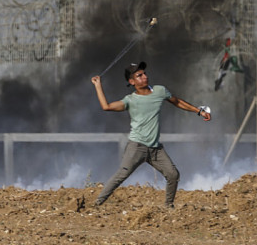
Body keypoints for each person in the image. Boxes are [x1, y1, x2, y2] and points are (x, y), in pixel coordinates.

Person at [90, 61, 211, 208]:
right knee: (121, 176)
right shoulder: (130, 100)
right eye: (139, 75)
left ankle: (168, 206)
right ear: (132, 81)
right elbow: (106, 106)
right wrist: (98, 85)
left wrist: (198, 111)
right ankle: (96, 204)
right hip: (136, 147)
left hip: (155, 149)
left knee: (173, 175)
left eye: (144, 73)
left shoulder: (160, 91)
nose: (144, 77)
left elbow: (177, 101)